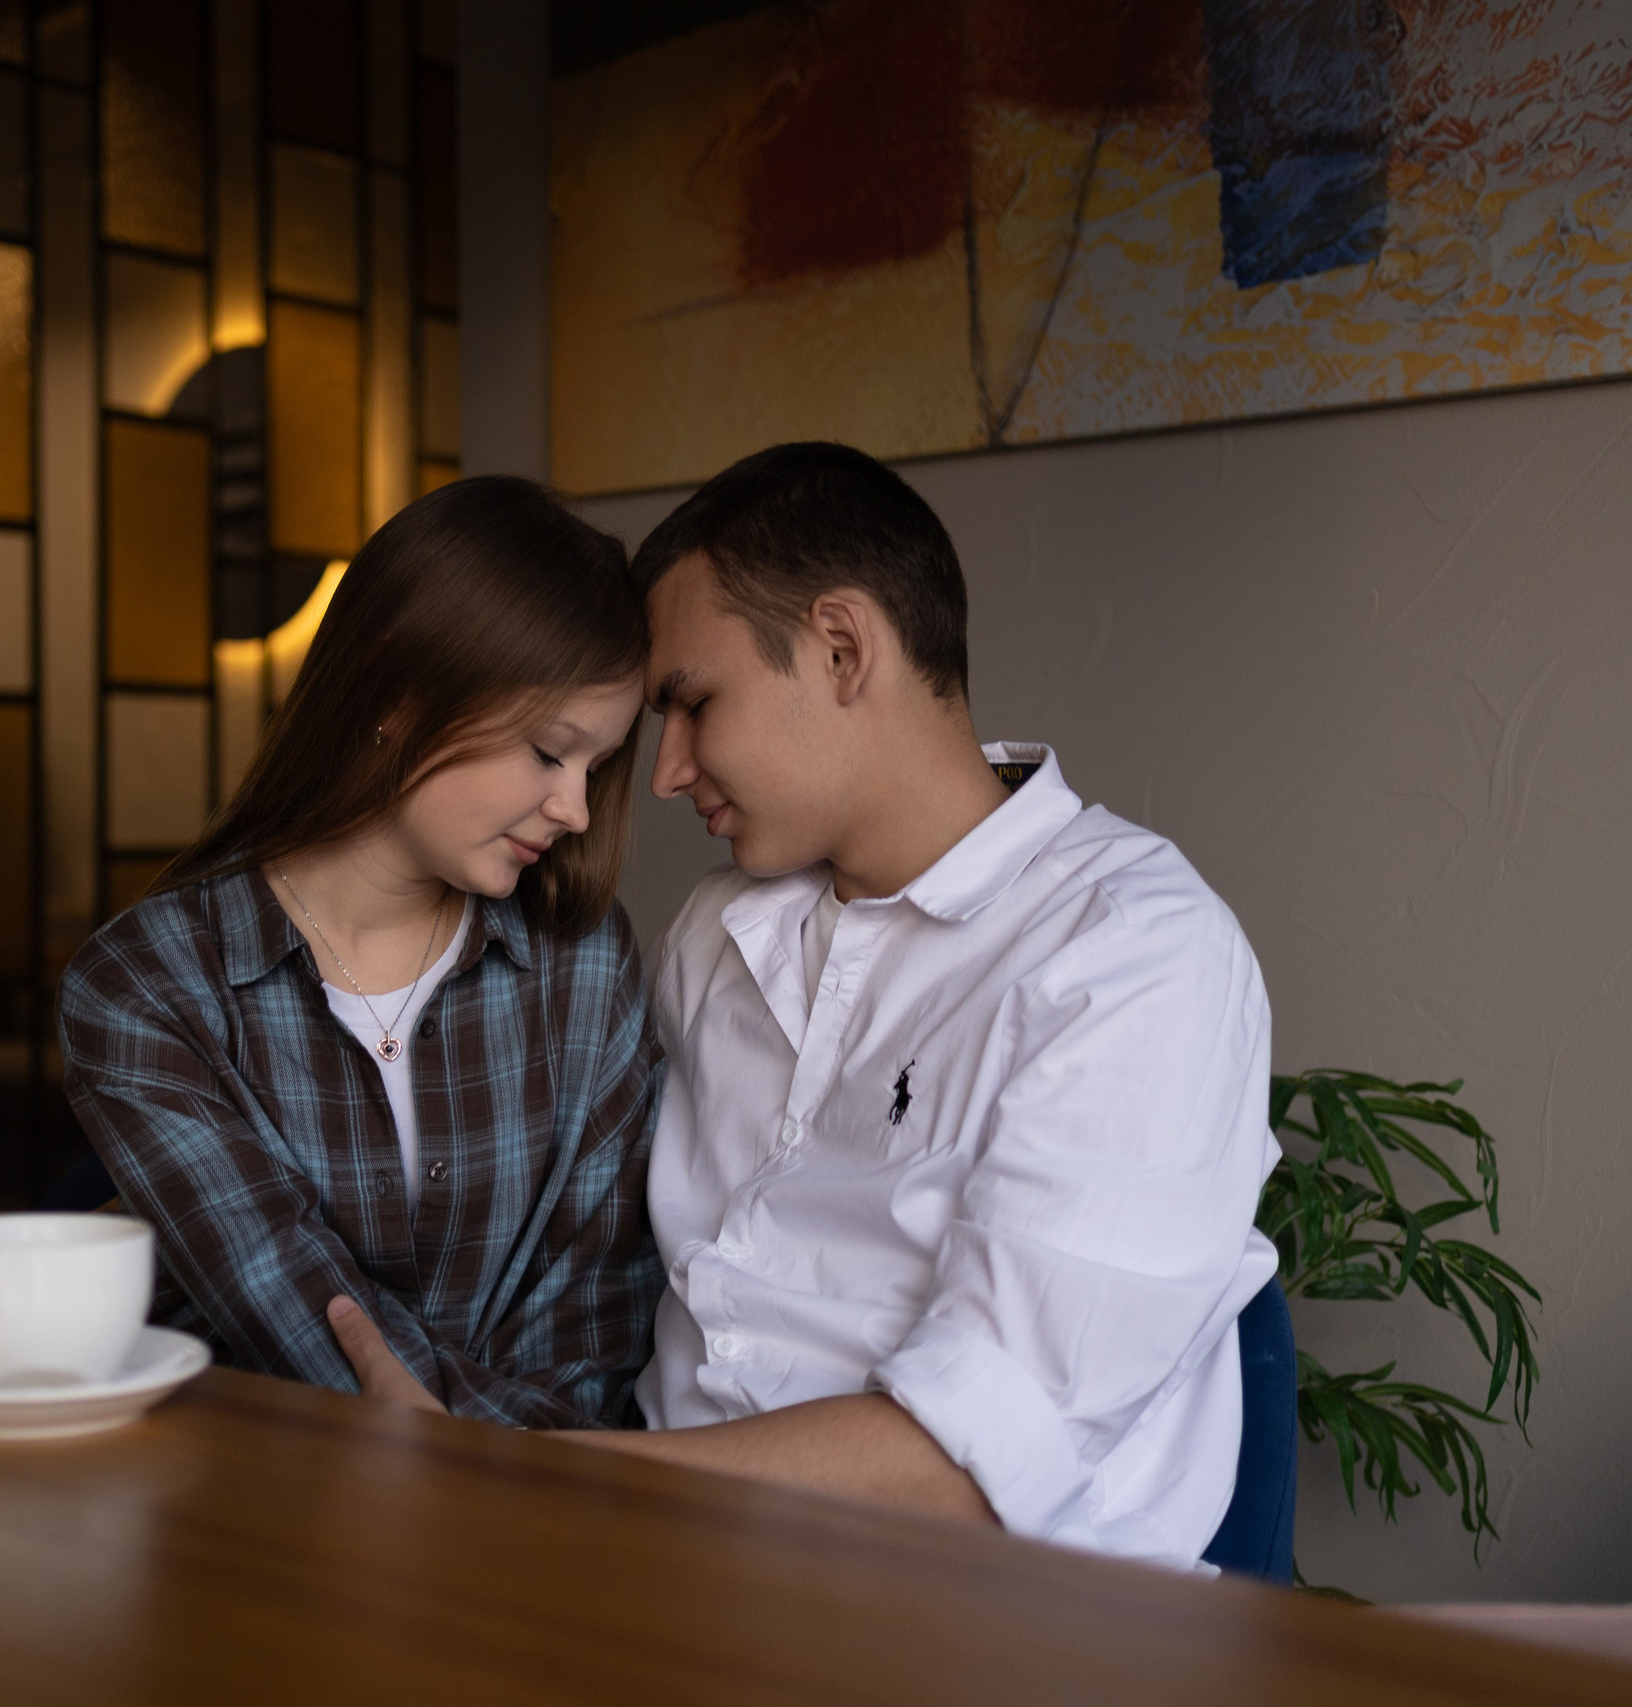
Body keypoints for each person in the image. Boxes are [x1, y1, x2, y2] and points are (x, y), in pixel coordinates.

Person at [330, 443, 1279, 1571]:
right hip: (654, 1568)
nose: (667, 770)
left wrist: (521, 1482)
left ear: (841, 648)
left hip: (984, 1621)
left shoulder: (1129, 953)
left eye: (691, 703)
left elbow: (975, 1459)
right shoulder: (715, 935)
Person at [58, 476, 664, 1428]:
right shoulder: (142, 988)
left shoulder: (588, 966)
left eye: (598, 766)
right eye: (551, 752)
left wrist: (506, 1483)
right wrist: (500, 1458)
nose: (577, 809)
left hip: (545, 1536)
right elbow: (290, 1317)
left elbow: (594, 1327)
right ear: (401, 685)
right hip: (257, 1525)